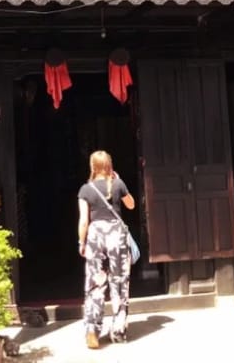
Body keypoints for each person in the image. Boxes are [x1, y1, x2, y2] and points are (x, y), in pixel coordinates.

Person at [77, 150, 135, 349]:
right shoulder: (118, 184)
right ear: (109, 165)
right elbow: (131, 205)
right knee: (119, 281)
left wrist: (81, 242)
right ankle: (118, 330)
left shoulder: (86, 189)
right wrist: (119, 181)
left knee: (95, 282)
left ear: (93, 167)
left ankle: (92, 329)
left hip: (95, 235)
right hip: (116, 235)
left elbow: (84, 220)